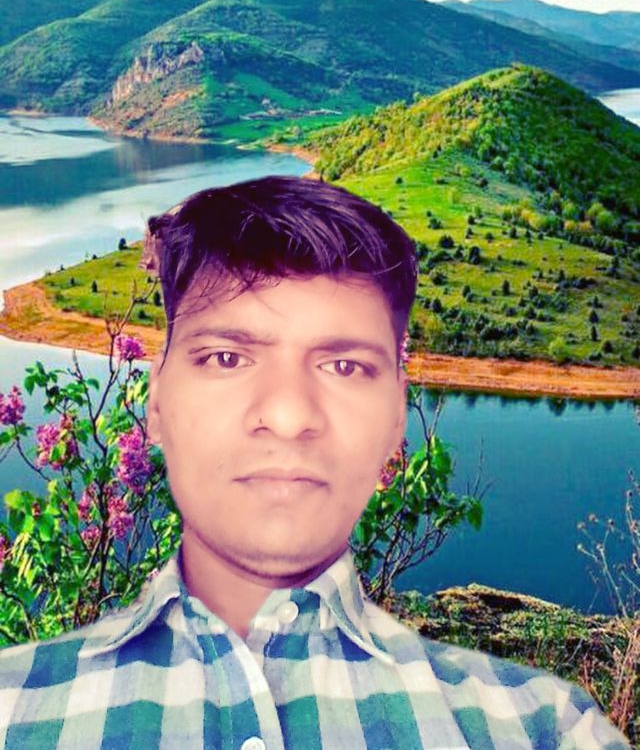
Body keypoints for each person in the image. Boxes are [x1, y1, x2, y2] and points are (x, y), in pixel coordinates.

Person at [0, 176, 629, 749]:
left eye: (343, 366)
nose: (288, 413)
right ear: (157, 403)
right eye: (226, 358)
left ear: (395, 419)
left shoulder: (543, 727)